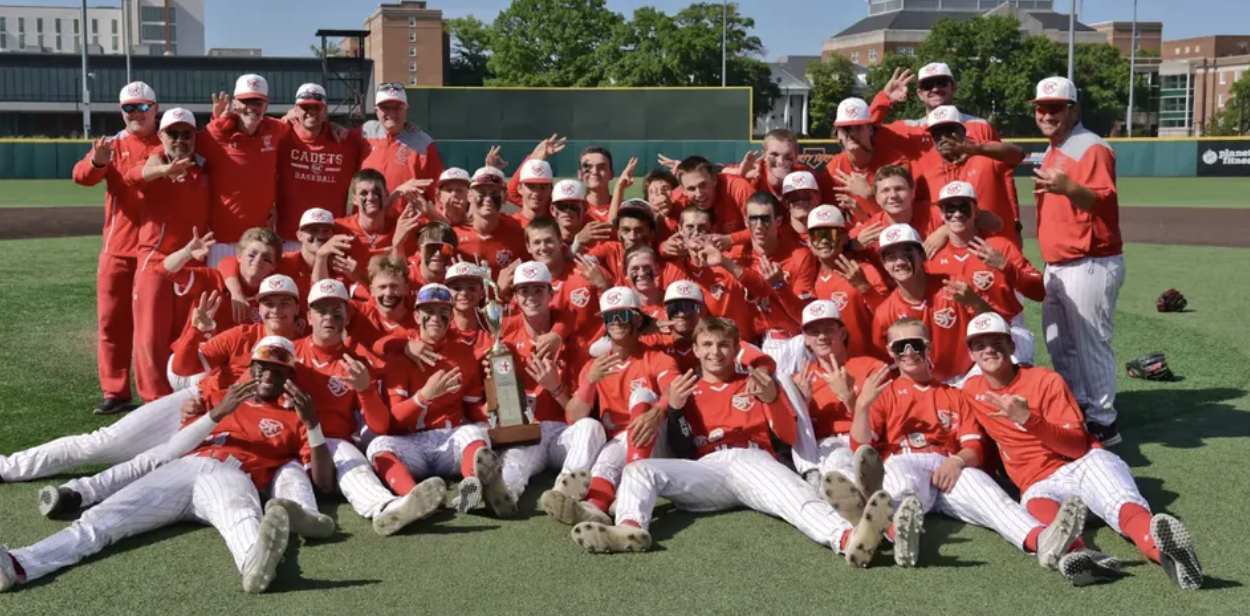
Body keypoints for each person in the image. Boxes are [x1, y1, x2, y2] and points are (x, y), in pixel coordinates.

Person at [0, 337, 330, 594]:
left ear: (290, 375)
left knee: (242, 518)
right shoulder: (221, 398)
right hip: (186, 467)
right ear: (252, 367)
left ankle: (254, 566)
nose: (267, 374)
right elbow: (174, 448)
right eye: (261, 366)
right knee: (100, 521)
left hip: (232, 474)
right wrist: (218, 412)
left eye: (277, 368)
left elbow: (324, 482)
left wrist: (313, 425)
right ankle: (19, 564)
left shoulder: (296, 415)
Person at [571, 317, 893, 568]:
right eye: (707, 344)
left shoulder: (754, 380)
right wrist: (677, 411)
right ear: (695, 349)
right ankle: (629, 527)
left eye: (724, 344)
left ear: (736, 347)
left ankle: (848, 538)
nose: (715, 352)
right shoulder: (686, 387)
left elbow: (787, 436)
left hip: (750, 459)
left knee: (793, 500)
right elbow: (683, 448)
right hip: (708, 470)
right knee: (639, 470)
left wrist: (771, 398)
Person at [961, 313, 1202, 589]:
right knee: (1048, 519)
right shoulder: (970, 391)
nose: (989, 349)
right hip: (1038, 483)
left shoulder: (1044, 380)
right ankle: (1083, 559)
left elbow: (1076, 446)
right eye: (980, 345)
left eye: (997, 341)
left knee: (1125, 507)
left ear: (1012, 345)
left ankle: (1170, 557)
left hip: (1083, 463)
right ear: (971, 353)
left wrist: (1028, 419)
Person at [850, 319, 1089, 580]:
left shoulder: (955, 394)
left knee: (995, 501)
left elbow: (974, 447)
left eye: (916, 345)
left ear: (928, 347)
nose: (908, 353)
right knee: (900, 480)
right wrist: (861, 407)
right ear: (890, 351)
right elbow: (861, 447)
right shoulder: (884, 393)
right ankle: (900, 534)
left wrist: (957, 462)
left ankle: (1043, 541)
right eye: (900, 347)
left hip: (950, 467)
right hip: (905, 459)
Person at [1030, 76, 1126, 446]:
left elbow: (1102, 200)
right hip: (1060, 263)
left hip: (1090, 260)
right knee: (1061, 344)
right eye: (1042, 108)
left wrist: (1067, 187)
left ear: (1074, 109)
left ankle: (1104, 421)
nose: (1047, 114)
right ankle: (1078, 410)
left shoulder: (1091, 148)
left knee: (1090, 343)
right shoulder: (1057, 147)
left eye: (1056, 107)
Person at [540, 287, 680, 527]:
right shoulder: (595, 366)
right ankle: (592, 508)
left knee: (642, 395)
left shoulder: (657, 358)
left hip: (655, 439)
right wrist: (589, 382)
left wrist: (657, 411)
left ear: (637, 319)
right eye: (609, 317)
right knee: (604, 460)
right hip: (618, 440)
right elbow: (574, 417)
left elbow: (674, 390)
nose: (616, 322)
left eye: (623, 315)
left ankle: (625, 497)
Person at [368, 284, 507, 516]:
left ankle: (474, 484)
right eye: (428, 311)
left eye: (442, 311)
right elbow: (395, 420)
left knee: (476, 432)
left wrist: (495, 407)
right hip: (412, 442)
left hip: (449, 441)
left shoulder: (463, 354)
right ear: (416, 315)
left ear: (451, 315)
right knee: (377, 446)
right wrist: (425, 396)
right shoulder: (401, 356)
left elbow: (472, 409)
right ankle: (417, 498)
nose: (435, 317)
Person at [73, 81, 162, 415]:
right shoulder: (112, 144)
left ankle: (155, 393)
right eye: (128, 108)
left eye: (142, 107)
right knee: (112, 323)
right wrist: (97, 163)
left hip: (157, 248)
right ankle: (116, 391)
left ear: (155, 107)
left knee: (153, 326)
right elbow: (81, 176)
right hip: (118, 249)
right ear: (120, 111)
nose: (135, 113)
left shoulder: (171, 139)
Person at [493, 262, 608, 514]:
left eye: (538, 290)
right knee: (516, 460)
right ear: (515, 297)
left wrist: (555, 387)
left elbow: (577, 414)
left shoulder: (573, 342)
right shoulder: (503, 341)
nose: (531, 297)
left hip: (561, 433)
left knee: (591, 428)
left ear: (551, 293)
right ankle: (504, 493)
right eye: (524, 291)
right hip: (527, 430)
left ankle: (563, 492)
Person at [125, 107, 210, 403]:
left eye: (186, 134)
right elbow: (134, 175)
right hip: (156, 264)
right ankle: (153, 402)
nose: (180, 139)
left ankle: (180, 400)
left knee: (185, 335)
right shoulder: (155, 164)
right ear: (161, 135)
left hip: (191, 266)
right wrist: (164, 170)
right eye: (173, 134)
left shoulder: (203, 169)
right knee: (150, 340)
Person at [870, 65, 1020, 221]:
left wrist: (1015, 220)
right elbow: (865, 133)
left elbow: (1004, 173)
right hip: (931, 224)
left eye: (941, 82)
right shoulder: (908, 129)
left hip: (977, 221)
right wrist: (884, 99)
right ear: (920, 94)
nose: (935, 89)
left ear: (953, 87)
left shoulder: (980, 126)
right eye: (928, 85)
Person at [926, 181, 1044, 364]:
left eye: (964, 207)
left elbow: (1039, 291)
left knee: (1008, 370)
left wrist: (1005, 265)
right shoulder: (933, 257)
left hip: (1006, 332)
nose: (957, 214)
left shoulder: (999, 246)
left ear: (976, 211)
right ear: (941, 213)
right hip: (959, 340)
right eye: (950, 208)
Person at [870, 224, 1001, 386]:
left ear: (922, 255)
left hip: (971, 374)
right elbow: (888, 357)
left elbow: (993, 324)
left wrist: (975, 302)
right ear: (883, 264)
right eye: (891, 257)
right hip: (925, 385)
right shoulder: (884, 313)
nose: (900, 262)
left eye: (907, 253)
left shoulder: (955, 285)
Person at [781, 301, 888, 497]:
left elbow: (880, 423)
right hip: (824, 447)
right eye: (814, 332)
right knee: (836, 458)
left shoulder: (871, 367)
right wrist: (803, 403)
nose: (822, 337)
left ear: (843, 333)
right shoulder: (802, 378)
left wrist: (848, 398)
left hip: (867, 443)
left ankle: (852, 495)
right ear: (805, 339)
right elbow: (794, 433)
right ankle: (858, 496)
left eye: (829, 329)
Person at [198, 75, 289, 266]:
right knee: (220, 292)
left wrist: (334, 126)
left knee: (257, 294)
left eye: (257, 102)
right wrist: (216, 120)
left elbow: (299, 120)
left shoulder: (275, 129)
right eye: (246, 101)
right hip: (222, 238)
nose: (251, 108)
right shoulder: (217, 133)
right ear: (234, 104)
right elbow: (183, 146)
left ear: (266, 105)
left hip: (259, 240)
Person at [920, 106, 1026, 246]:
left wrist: (976, 149)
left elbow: (1018, 154)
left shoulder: (984, 158)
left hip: (996, 247)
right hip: (953, 253)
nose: (944, 138)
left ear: (962, 132)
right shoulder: (926, 170)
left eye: (950, 131)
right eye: (937, 133)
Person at [274, 83, 361, 246]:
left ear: (325, 111)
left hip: (330, 235)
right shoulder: (281, 137)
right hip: (289, 235)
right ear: (295, 109)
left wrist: (407, 128)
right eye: (305, 107)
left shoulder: (345, 142)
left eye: (317, 107)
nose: (311, 111)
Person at [818, 97, 921, 224]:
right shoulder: (833, 170)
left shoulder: (896, 162)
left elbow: (902, 218)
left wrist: (869, 196)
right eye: (846, 129)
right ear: (838, 134)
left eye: (858, 127)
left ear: (870, 129)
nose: (852, 134)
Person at [804, 205, 887, 360]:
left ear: (844, 238)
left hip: (872, 365)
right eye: (817, 235)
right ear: (808, 241)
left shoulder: (864, 270)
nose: (823, 240)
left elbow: (888, 318)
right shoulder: (810, 276)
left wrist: (865, 288)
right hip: (835, 369)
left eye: (831, 234)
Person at [359, 82, 444, 208]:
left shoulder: (422, 142)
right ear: (376, 110)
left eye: (398, 108)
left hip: (408, 223)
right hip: (367, 223)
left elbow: (439, 194)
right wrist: (334, 126)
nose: (392, 114)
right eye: (385, 108)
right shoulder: (363, 133)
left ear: (406, 110)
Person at [455, 167, 528, 275]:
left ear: (505, 197)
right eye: (482, 193)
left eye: (494, 193)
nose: (488, 198)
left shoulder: (518, 235)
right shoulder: (454, 236)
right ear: (469, 196)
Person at [671, 156, 755, 235]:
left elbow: (762, 228)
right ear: (683, 190)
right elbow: (663, 237)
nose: (699, 194)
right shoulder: (677, 200)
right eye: (691, 189)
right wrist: (664, 245)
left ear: (714, 179)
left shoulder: (737, 187)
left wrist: (731, 239)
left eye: (703, 185)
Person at [510, 158, 554, 226]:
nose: (537, 193)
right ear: (519, 188)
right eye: (531, 186)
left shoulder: (559, 228)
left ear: (551, 190)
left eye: (543, 187)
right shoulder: (508, 224)